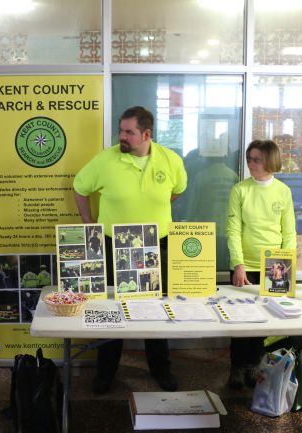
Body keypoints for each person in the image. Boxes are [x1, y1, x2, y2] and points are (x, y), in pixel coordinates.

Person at [74, 106, 187, 394]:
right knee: (111, 311)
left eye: (129, 132)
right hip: (114, 246)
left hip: (155, 245)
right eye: (121, 130)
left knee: (156, 310)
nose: (121, 136)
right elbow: (80, 188)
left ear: (147, 134)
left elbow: (177, 191)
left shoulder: (170, 160)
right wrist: (90, 227)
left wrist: (151, 212)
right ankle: (105, 373)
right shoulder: (105, 160)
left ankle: (161, 369)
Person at [226, 139, 296, 389]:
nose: (250, 163)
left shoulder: (283, 191)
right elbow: (233, 230)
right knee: (239, 319)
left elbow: (289, 232)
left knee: (261, 321)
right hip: (246, 266)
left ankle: (253, 366)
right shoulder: (240, 190)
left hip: (275, 267)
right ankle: (236, 367)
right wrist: (238, 264)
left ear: (270, 161)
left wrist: (286, 265)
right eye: (249, 158)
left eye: (256, 159)